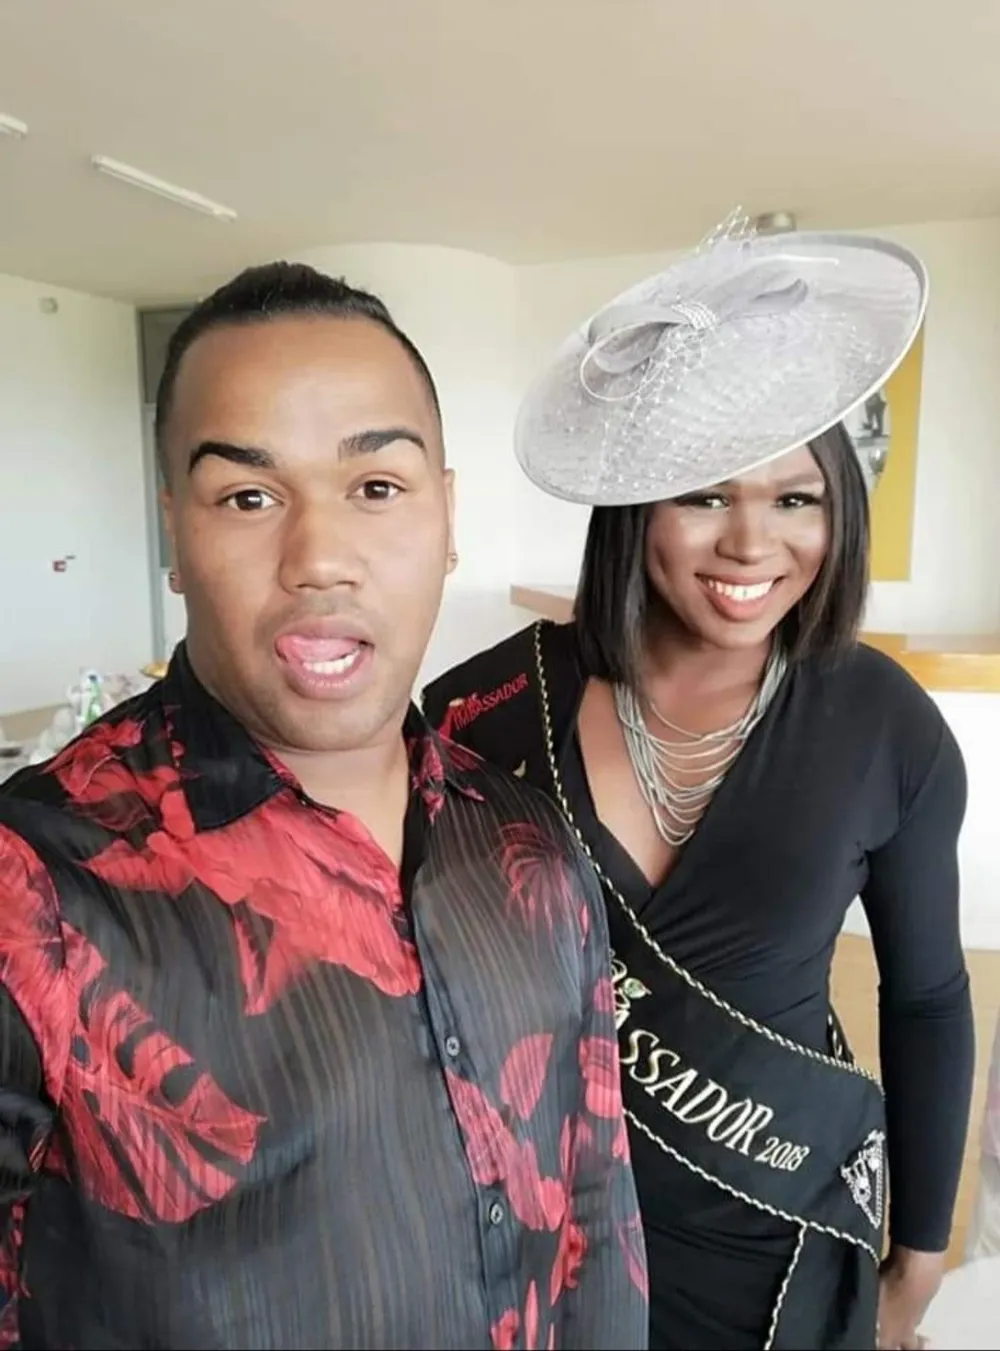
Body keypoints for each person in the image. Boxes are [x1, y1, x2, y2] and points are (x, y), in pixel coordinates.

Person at [0, 263, 648, 1349]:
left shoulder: (526, 841)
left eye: (376, 486)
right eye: (248, 497)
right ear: (175, 534)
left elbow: (594, 1199)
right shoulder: (36, 886)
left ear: (447, 516)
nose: (319, 559)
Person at [423, 219, 975, 1350]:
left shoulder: (884, 723)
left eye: (795, 499)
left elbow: (926, 999)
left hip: (778, 1233)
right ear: (635, 506)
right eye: (705, 496)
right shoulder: (487, 710)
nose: (750, 544)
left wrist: (919, 1258)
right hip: (536, 1233)